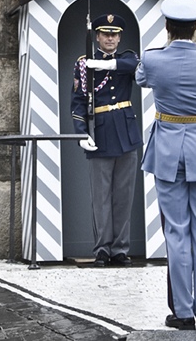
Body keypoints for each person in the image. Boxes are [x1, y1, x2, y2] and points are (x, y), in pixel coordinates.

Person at [135, 0, 196, 330]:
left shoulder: (152, 60)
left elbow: (140, 78)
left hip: (166, 153)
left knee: (176, 233)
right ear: (195, 28)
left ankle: (182, 311)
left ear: (167, 26)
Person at [70, 14, 143, 267]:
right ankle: (102, 248)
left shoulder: (126, 59)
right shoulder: (84, 64)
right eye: (105, 33)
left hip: (125, 134)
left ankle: (120, 249)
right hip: (99, 134)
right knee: (100, 198)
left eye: (114, 34)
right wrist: (81, 133)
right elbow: (78, 101)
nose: (110, 38)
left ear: (120, 37)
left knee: (124, 196)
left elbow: (135, 66)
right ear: (98, 36)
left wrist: (107, 66)